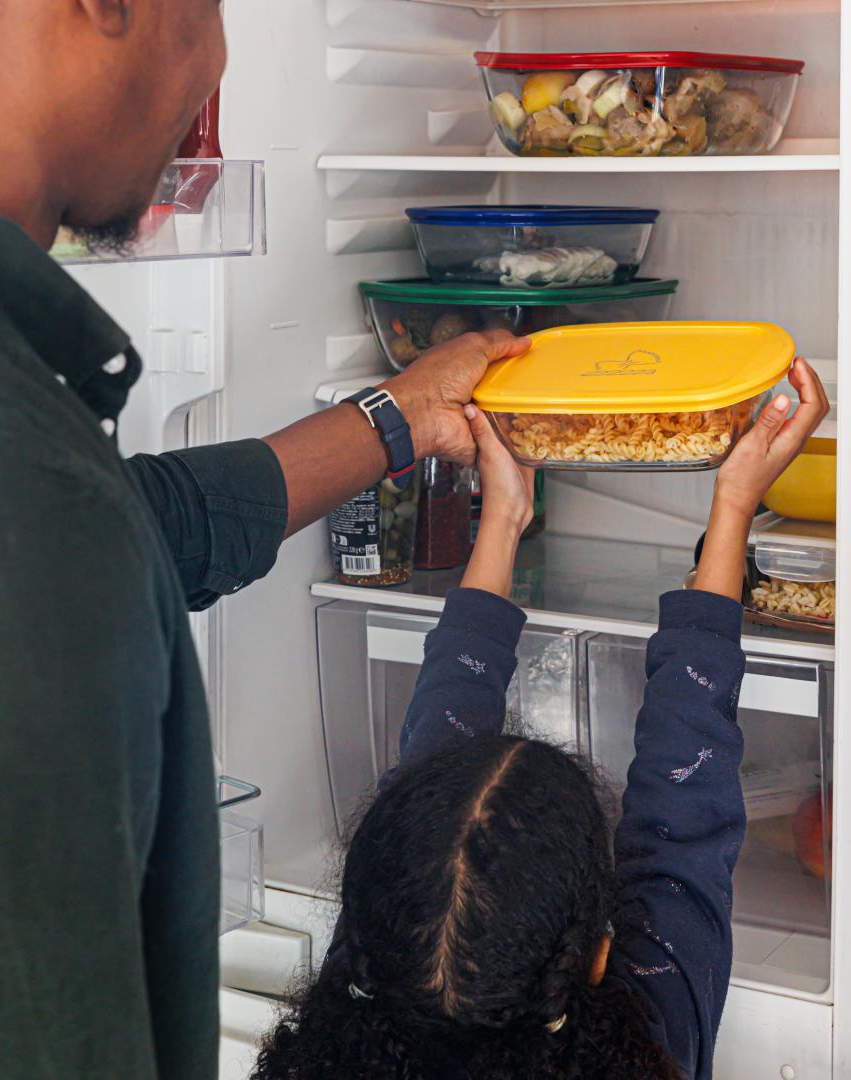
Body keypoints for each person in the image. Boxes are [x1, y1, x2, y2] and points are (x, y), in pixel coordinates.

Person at [0, 3, 530, 1078]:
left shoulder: (43, 480)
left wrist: (400, 415)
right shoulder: (27, 485)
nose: (221, 70)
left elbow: (141, 525)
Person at [253, 358, 829, 1080]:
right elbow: (676, 814)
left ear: (365, 917)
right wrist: (736, 503)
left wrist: (502, 515)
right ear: (595, 957)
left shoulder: (351, 1024)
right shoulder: (654, 1034)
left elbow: (681, 821)